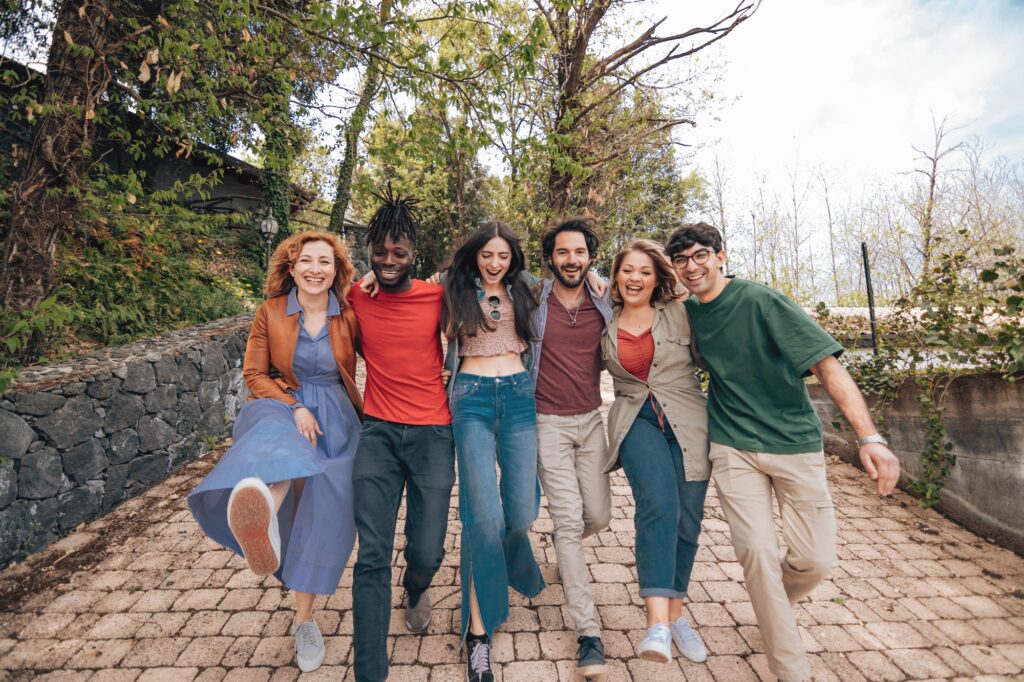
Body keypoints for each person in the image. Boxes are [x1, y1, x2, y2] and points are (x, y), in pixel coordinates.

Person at [666, 222, 901, 682]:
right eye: (681, 260)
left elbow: (827, 367)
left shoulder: (760, 301)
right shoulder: (687, 313)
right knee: (756, 552)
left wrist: (869, 438)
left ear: (720, 256)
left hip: (793, 444)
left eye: (700, 256)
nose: (691, 267)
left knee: (815, 561)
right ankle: (789, 669)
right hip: (732, 445)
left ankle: (772, 602)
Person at [189, 231, 362, 673]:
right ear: (291, 266)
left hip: (337, 418)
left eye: (326, 262)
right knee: (283, 447)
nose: (315, 269)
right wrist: (296, 406)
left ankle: (303, 620)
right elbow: (254, 373)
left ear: (337, 271)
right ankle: (263, 519)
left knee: (325, 508)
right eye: (306, 260)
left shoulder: (350, 315)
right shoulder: (270, 312)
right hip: (280, 405)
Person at [348, 197, 456, 682]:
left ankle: (416, 587)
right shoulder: (355, 296)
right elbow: (304, 287)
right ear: (369, 251)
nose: (388, 261)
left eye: (399, 253)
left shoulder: (437, 299)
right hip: (378, 433)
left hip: (434, 432)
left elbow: (506, 285)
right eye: (380, 252)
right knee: (371, 553)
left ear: (415, 255)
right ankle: (371, 671)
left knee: (427, 550)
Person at [600, 239, 712, 665]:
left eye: (645, 271)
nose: (635, 278)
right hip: (636, 421)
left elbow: (716, 357)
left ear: (657, 277)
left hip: (688, 423)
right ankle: (656, 626)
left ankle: (677, 614)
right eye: (628, 270)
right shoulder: (603, 321)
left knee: (687, 519)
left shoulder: (682, 314)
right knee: (658, 506)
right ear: (616, 276)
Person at [443, 222, 545, 682]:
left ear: (513, 258)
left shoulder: (525, 291)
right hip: (472, 397)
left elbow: (578, 283)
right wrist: (366, 279)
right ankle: (478, 634)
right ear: (475, 255)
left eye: (503, 255)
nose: (495, 262)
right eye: (488, 254)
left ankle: (512, 563)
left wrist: (599, 277)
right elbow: (404, 291)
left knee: (520, 513)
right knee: (482, 517)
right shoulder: (453, 290)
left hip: (519, 395)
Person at [531, 217, 614, 677]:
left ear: (590, 256)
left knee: (598, 516)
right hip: (547, 423)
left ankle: (566, 548)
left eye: (579, 252)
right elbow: (467, 271)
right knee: (568, 521)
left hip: (590, 421)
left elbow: (654, 297)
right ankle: (589, 632)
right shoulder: (533, 297)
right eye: (562, 252)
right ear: (550, 258)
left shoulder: (604, 302)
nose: (571, 260)